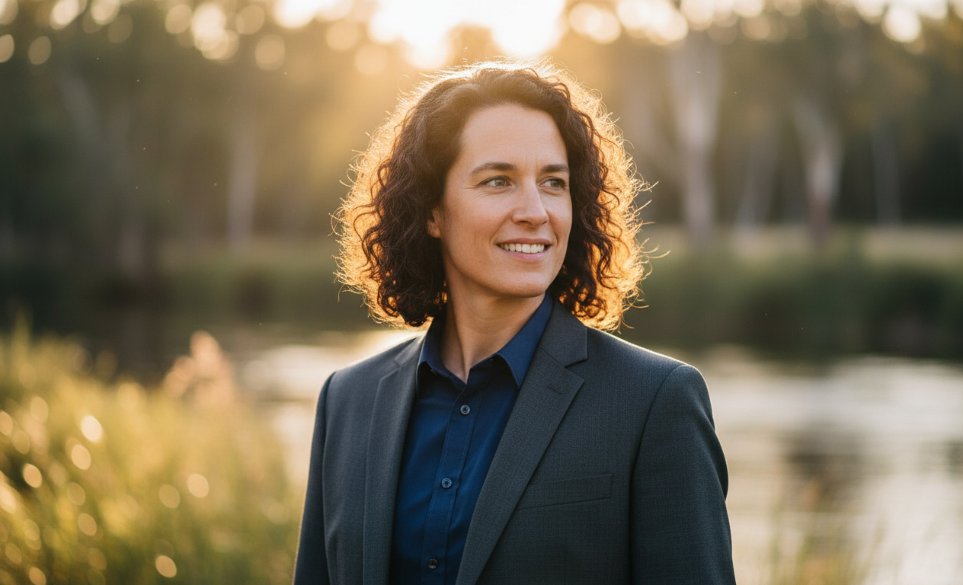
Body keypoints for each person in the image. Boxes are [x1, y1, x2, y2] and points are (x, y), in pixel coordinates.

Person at [294, 61, 735, 585]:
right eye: (498, 181)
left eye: (553, 182)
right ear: (432, 212)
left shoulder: (654, 402)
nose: (535, 211)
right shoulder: (347, 399)